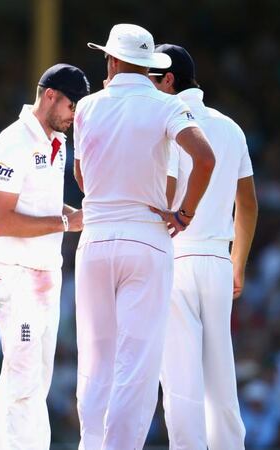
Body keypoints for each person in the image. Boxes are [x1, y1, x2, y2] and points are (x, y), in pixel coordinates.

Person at [72, 24, 216, 449]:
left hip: (96, 237)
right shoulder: (165, 105)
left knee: (95, 360)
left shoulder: (86, 106)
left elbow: (82, 176)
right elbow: (204, 158)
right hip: (146, 238)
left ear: (112, 61)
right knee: (136, 365)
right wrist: (185, 212)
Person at [149, 43, 258, 450]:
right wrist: (238, 263)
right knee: (221, 381)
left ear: (168, 80)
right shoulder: (231, 127)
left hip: (175, 255)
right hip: (216, 261)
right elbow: (246, 202)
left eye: (150, 80)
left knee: (180, 384)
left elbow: (169, 192)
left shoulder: (165, 121)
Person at [0, 63, 89, 449]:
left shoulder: (57, 143)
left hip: (46, 272)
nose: (74, 114)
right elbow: (1, 220)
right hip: (16, 274)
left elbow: (40, 204)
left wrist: (70, 215)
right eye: (71, 104)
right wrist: (66, 223)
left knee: (32, 379)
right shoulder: (13, 142)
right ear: (50, 95)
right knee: (24, 380)